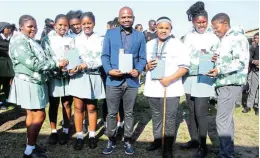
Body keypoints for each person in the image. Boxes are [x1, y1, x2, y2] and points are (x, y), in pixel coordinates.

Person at [8, 15, 68, 158]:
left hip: (35, 81)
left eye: (35, 26)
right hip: (30, 82)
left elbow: (42, 59)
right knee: (40, 115)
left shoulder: (29, 40)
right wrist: (56, 64)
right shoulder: (18, 41)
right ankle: (29, 151)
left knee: (32, 114)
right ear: (21, 26)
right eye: (30, 26)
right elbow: (33, 63)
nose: (33, 29)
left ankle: (31, 146)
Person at [101, 6, 146, 155]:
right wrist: (109, 70)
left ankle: (127, 140)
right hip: (113, 80)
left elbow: (142, 58)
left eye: (129, 17)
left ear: (133, 18)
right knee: (112, 113)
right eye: (123, 17)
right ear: (119, 18)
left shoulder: (140, 36)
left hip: (131, 81)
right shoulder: (110, 33)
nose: (127, 19)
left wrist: (138, 69)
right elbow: (105, 56)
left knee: (129, 113)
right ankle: (111, 139)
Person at [144, 16, 189, 158]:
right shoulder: (149, 44)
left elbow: (184, 67)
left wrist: (169, 79)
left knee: (169, 118)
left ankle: (168, 147)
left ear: (171, 29)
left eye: (166, 28)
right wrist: (146, 66)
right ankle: (158, 140)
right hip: (153, 87)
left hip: (170, 87)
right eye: (161, 27)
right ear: (156, 28)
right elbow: (142, 65)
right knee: (156, 116)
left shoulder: (178, 45)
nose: (163, 30)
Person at [181, 2, 220, 157]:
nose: (201, 24)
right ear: (193, 22)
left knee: (200, 112)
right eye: (199, 22)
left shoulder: (213, 38)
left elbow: (219, 58)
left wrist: (216, 58)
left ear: (207, 21)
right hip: (189, 78)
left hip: (204, 78)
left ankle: (203, 146)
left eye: (204, 22)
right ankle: (195, 140)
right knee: (191, 111)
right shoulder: (188, 37)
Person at [209, 13, 249, 158]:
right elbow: (228, 58)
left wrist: (219, 69)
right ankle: (228, 153)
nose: (215, 30)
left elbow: (240, 62)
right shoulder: (225, 39)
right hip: (224, 82)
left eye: (216, 27)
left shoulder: (238, 38)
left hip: (230, 82)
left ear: (225, 23)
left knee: (222, 120)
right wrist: (216, 58)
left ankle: (226, 155)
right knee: (226, 120)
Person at [68, 11, 105, 150]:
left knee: (91, 107)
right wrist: (71, 68)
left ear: (94, 23)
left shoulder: (100, 39)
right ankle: (79, 136)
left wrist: (88, 64)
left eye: (89, 23)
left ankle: (92, 135)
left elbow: (102, 58)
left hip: (94, 75)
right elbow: (71, 56)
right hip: (79, 77)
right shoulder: (75, 39)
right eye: (84, 23)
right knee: (78, 108)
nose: (86, 26)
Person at [41, 14, 73, 146]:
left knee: (66, 104)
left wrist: (69, 63)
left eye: (65, 25)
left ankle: (65, 129)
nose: (62, 27)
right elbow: (44, 56)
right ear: (55, 25)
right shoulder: (47, 39)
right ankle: (54, 131)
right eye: (60, 25)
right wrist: (57, 63)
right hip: (53, 76)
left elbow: (74, 55)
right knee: (54, 104)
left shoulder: (71, 39)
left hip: (67, 77)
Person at [243, 32, 259, 115]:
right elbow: (248, 57)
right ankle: (249, 106)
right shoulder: (253, 47)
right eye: (255, 38)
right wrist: (253, 61)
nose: (255, 40)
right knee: (253, 89)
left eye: (257, 38)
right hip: (255, 71)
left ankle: (257, 107)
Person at [0, 22, 14, 110]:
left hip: (8, 65)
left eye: (10, 28)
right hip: (1, 65)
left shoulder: (10, 38)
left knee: (7, 84)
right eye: (7, 28)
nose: (9, 30)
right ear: (2, 29)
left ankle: (7, 100)